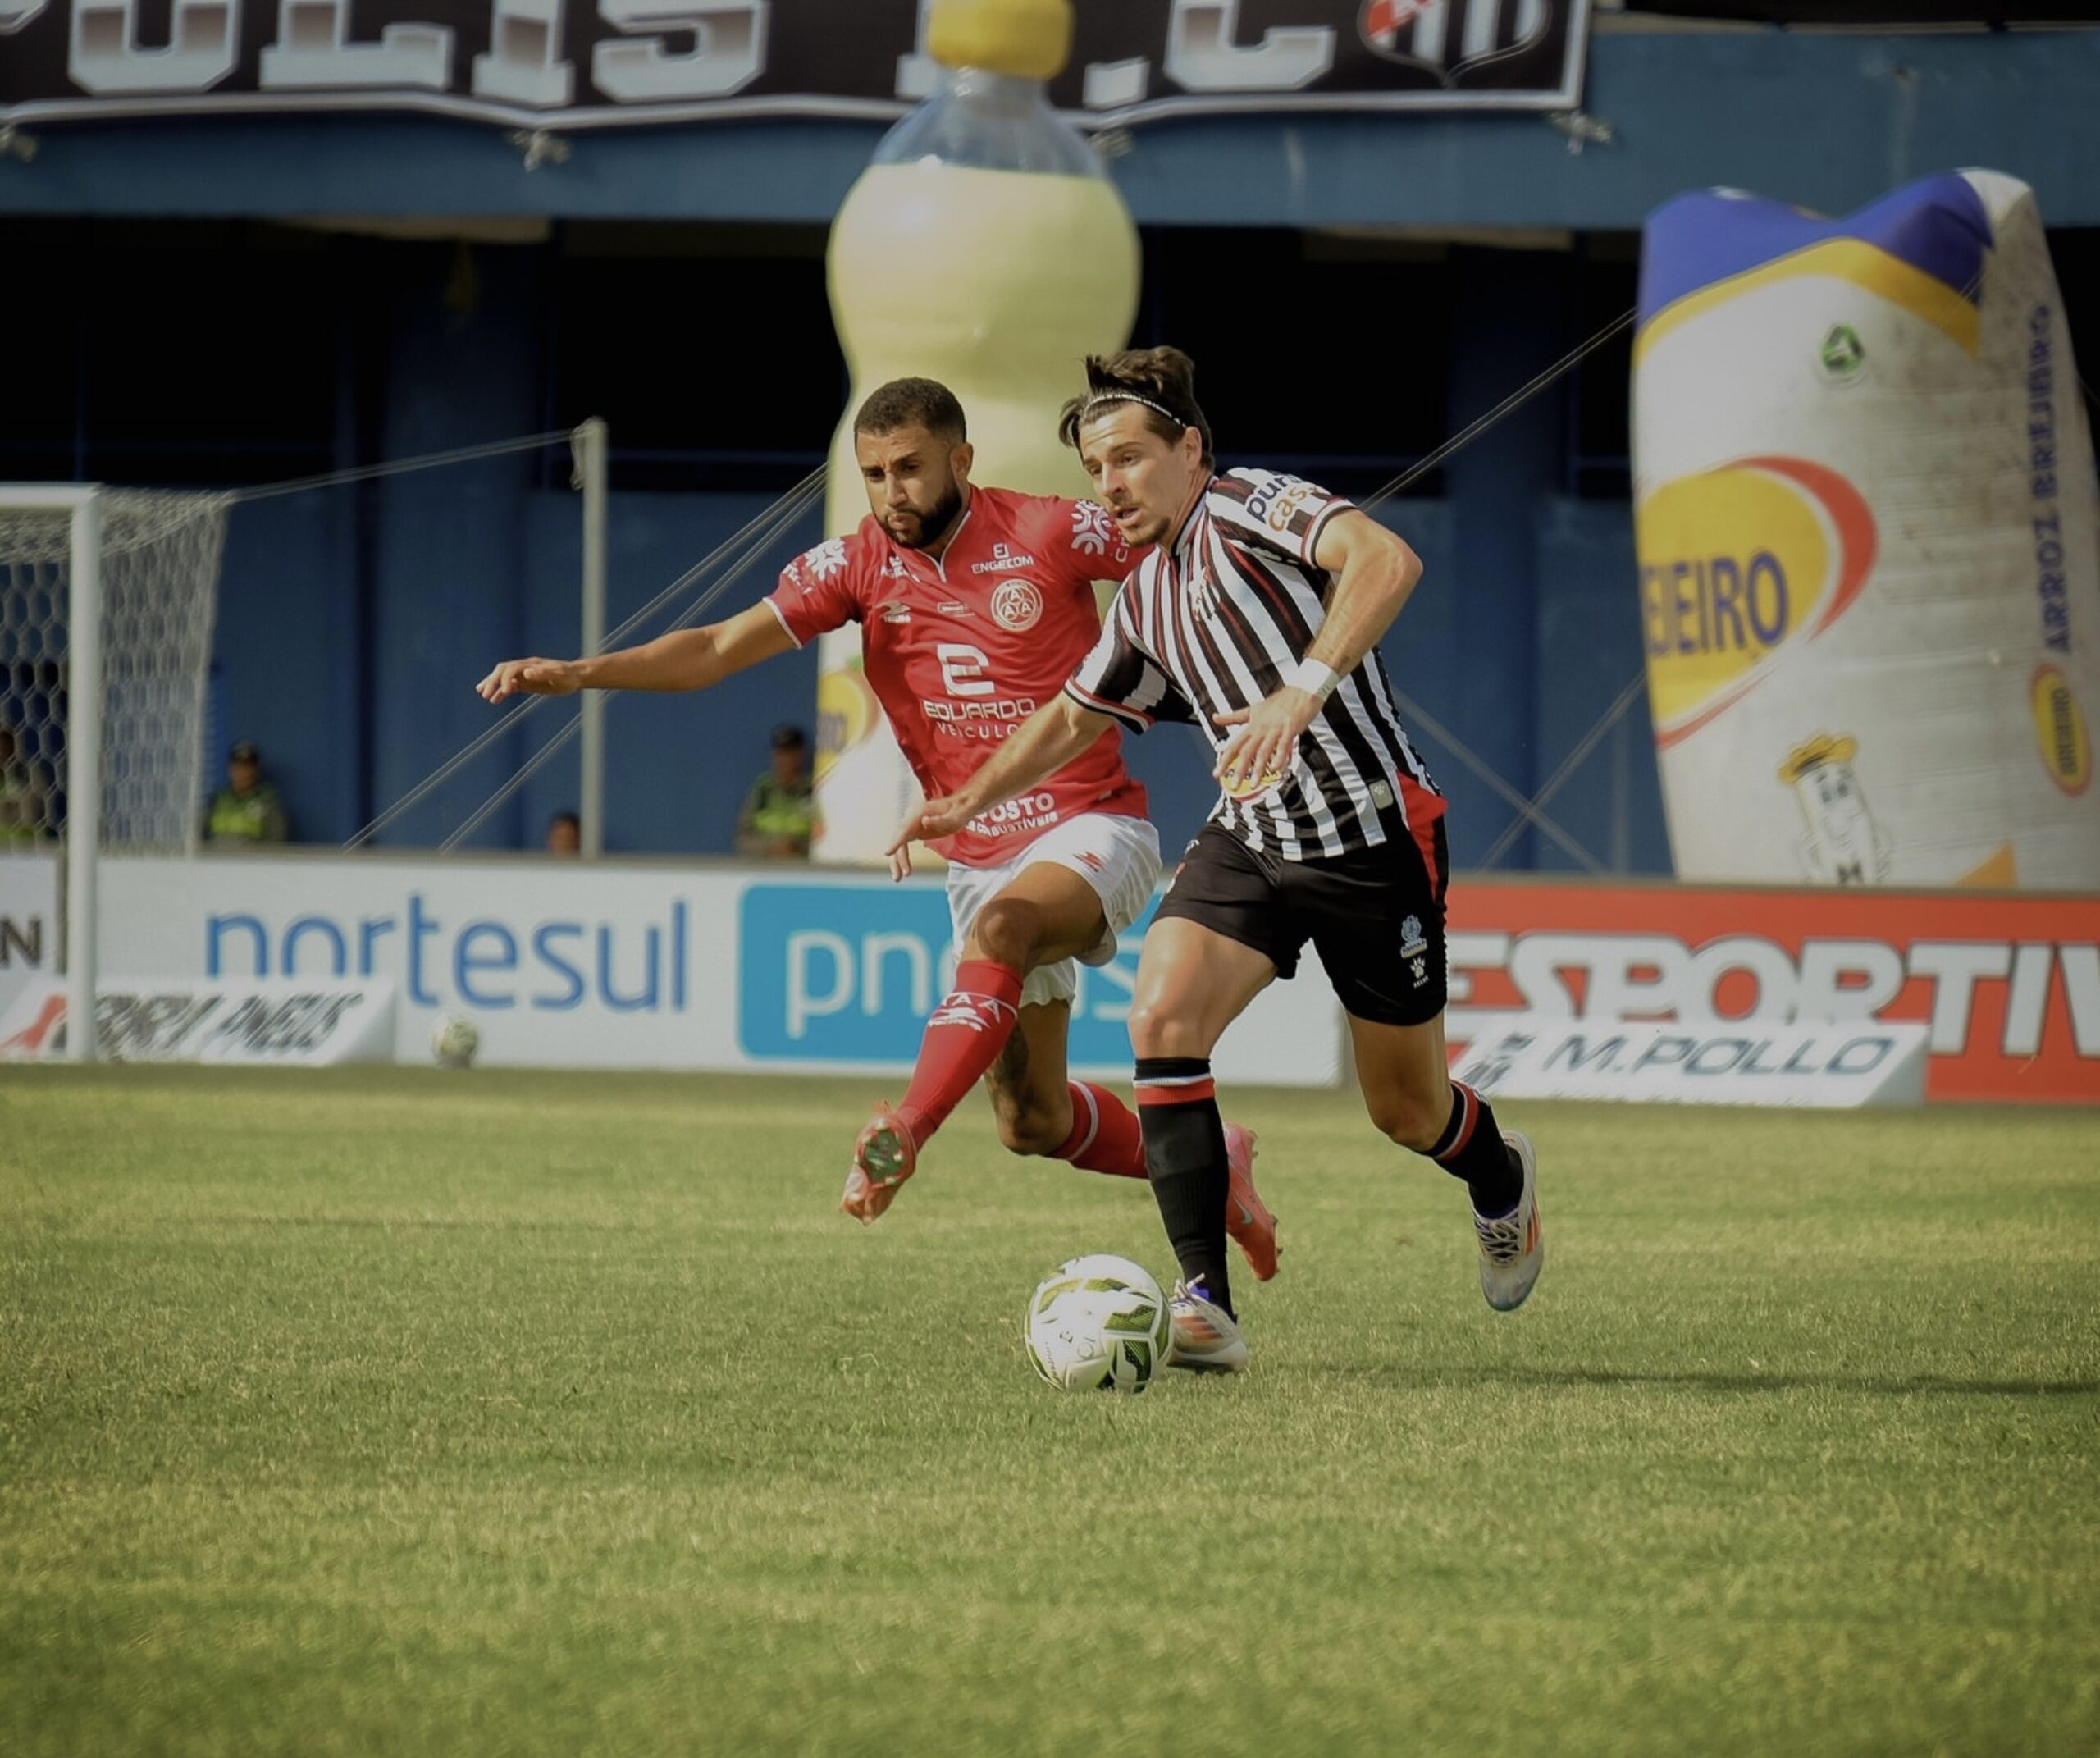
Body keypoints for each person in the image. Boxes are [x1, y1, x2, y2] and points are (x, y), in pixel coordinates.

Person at [477, 376, 1276, 1276]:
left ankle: (904, 1126)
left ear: (960, 461)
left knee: (1004, 930)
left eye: (910, 468)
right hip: (976, 852)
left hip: (1091, 824)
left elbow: (1186, 565)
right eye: (874, 473)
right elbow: (711, 650)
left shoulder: (1051, 530)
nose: (893, 492)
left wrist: (1264, 686)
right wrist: (581, 673)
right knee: (1031, 1121)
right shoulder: (853, 566)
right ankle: (1219, 1169)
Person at [902, 346, 1544, 1374]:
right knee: (1159, 1018)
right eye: (1093, 469)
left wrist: (1300, 692)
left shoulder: (1253, 503)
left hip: (1370, 837)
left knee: (1407, 1110)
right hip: (1253, 839)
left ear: (1189, 449)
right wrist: (965, 800)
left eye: (1126, 458)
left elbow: (1387, 561)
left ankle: (1501, 1180)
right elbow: (1072, 711)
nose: (1108, 485)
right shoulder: (1145, 595)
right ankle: (1206, 1301)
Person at [734, 724, 819, 860]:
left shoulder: (813, 791)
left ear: (801, 755)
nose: (784, 759)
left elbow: (826, 838)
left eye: (790, 752)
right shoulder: (762, 790)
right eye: (780, 752)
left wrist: (797, 847)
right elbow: (742, 840)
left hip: (802, 871)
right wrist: (769, 847)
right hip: (765, 871)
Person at [205, 739, 290, 846]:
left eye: (248, 767)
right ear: (230, 770)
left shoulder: (268, 802)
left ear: (256, 771)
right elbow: (197, 835)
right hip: (214, 860)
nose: (243, 773)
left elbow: (277, 840)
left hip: (251, 861)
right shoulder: (217, 800)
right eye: (238, 767)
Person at [0, 727, 51, 845]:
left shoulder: (30, 772)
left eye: (6, 744)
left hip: (28, 844)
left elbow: (32, 812)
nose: (2, 751)